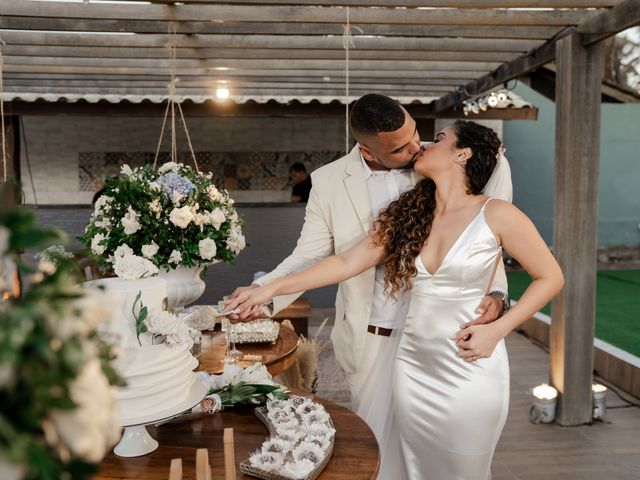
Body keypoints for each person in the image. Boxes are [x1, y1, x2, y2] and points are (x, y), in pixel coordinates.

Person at [226, 120, 564, 479]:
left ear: (462, 154)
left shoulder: (496, 213)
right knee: (412, 466)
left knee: (466, 468)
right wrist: (271, 288)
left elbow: (551, 277)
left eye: (440, 139)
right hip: (413, 366)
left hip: (469, 363)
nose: (426, 145)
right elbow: (346, 262)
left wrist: (499, 329)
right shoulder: (410, 213)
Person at [229, 95, 511, 414]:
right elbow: (310, 256)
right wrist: (262, 294)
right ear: (367, 150)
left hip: (441, 338)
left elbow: (485, 239)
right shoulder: (328, 181)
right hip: (371, 340)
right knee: (377, 444)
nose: (416, 147)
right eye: (399, 149)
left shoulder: (440, 159)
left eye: (415, 132)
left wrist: (499, 294)